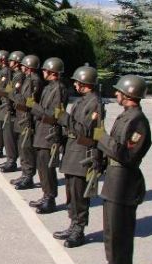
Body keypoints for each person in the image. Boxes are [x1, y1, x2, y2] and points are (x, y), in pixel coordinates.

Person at [86, 75, 152, 264]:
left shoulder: (138, 122)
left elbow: (127, 155)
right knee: (111, 229)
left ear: (129, 95)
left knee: (120, 229)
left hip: (124, 181)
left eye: (119, 92)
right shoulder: (125, 116)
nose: (116, 94)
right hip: (114, 179)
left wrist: (101, 137)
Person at [53, 66, 102, 248]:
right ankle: (73, 224)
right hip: (72, 149)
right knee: (71, 192)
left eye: (77, 82)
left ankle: (79, 230)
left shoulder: (94, 103)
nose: (74, 84)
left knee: (80, 195)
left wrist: (64, 118)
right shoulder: (83, 101)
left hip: (82, 152)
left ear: (85, 83)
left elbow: (86, 131)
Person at [29, 57, 68, 213]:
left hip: (49, 133)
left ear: (52, 72)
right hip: (42, 130)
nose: (43, 72)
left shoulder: (58, 89)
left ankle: (50, 198)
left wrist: (34, 107)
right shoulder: (48, 87)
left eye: (45, 70)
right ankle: (46, 195)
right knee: (42, 167)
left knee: (47, 167)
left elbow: (54, 115)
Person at [11, 55, 42, 189]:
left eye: (23, 65)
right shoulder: (28, 79)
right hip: (21, 116)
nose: (21, 67)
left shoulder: (34, 80)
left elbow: (29, 101)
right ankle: (24, 174)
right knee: (22, 147)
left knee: (27, 148)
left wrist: (15, 95)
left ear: (28, 67)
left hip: (27, 118)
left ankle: (28, 176)